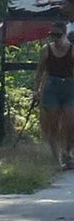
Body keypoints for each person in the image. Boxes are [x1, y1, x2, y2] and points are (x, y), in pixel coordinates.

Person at [41, 20, 74, 170]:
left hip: (69, 85)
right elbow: (40, 71)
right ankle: (57, 160)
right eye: (52, 35)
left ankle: (68, 152)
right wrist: (36, 90)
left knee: (70, 124)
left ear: (65, 34)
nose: (55, 38)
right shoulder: (46, 49)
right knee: (53, 125)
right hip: (52, 86)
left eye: (58, 35)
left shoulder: (72, 49)